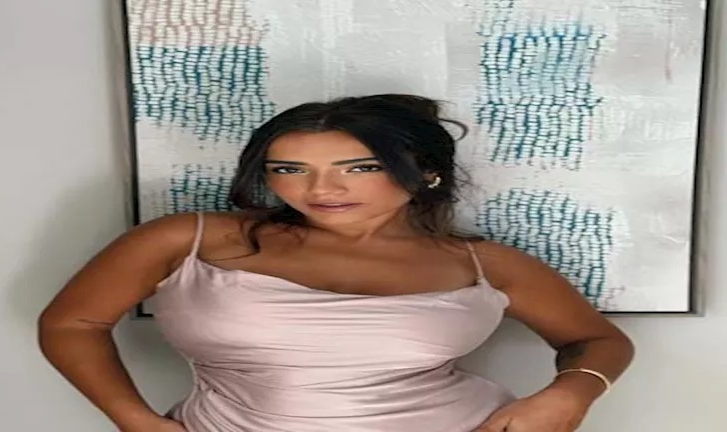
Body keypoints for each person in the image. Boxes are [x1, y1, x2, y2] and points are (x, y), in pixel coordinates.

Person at [38, 94, 634, 432]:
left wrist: (571, 394)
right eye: (289, 169)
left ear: (426, 172)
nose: (322, 189)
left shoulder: (486, 265)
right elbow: (71, 323)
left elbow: (597, 340)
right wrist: (137, 421)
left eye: (360, 168)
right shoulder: (189, 239)